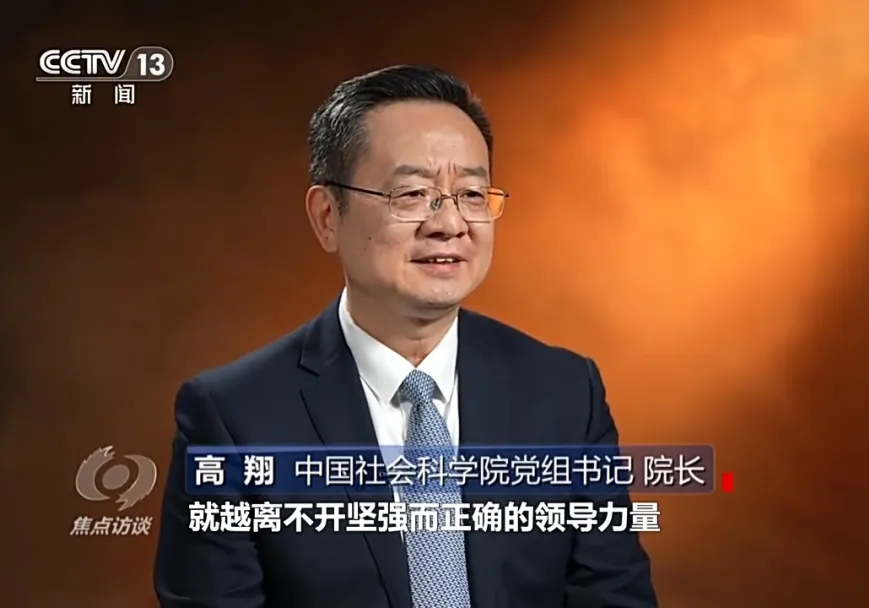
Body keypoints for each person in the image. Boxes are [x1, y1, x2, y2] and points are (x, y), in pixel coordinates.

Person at [154, 65, 657, 608]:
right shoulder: (233, 417)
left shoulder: (565, 392)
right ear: (327, 216)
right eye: (412, 193)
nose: (450, 224)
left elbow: (614, 596)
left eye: (471, 194)